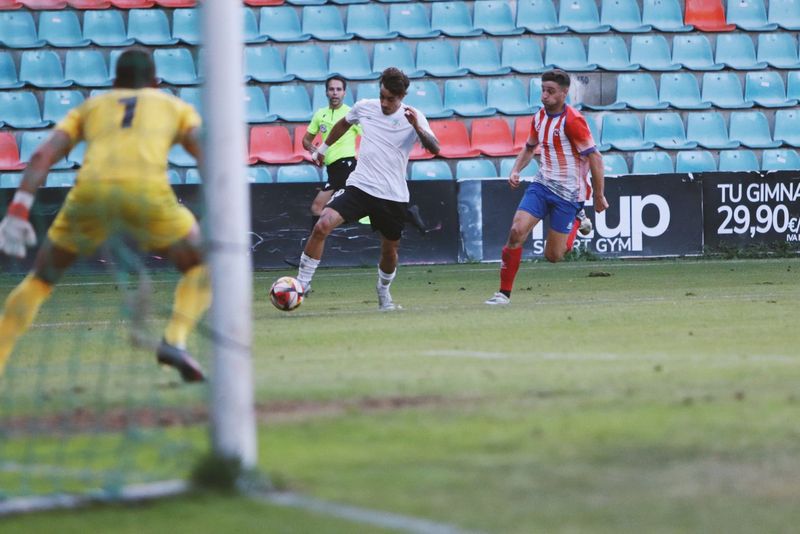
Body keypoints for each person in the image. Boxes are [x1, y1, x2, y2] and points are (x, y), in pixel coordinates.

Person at [0, 49, 208, 382]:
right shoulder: (174, 106)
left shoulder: (91, 108)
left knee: (40, 279)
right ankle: (175, 339)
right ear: (155, 82)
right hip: (147, 195)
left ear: (114, 83)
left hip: (90, 196)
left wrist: (18, 209)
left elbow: (41, 155)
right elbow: (205, 149)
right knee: (203, 265)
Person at [296, 67, 440, 310]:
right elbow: (343, 123)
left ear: (402, 96)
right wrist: (322, 149)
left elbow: (435, 148)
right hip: (360, 186)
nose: (384, 102)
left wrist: (416, 126)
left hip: (392, 195)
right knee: (323, 224)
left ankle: (383, 293)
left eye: (390, 99)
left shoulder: (414, 116)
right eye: (382, 96)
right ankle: (301, 284)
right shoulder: (365, 107)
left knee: (389, 251)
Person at [485, 69, 608, 306]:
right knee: (515, 232)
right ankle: (503, 294)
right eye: (543, 90)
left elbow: (595, 157)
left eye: (550, 92)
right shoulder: (539, 117)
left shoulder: (573, 121)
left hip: (568, 193)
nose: (544, 96)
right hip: (541, 185)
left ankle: (576, 219)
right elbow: (530, 147)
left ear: (564, 93)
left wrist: (600, 195)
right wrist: (515, 170)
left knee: (554, 256)